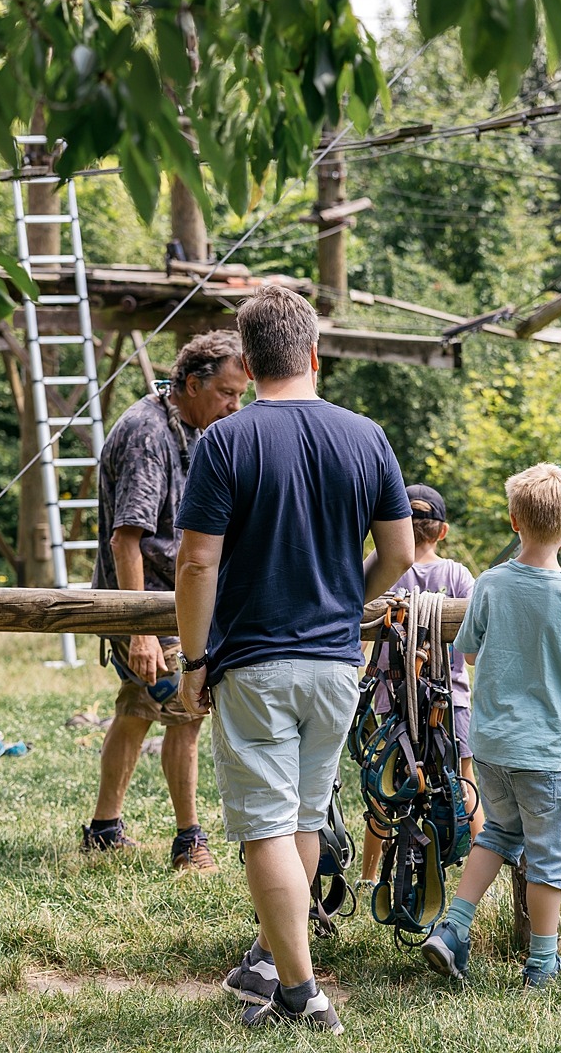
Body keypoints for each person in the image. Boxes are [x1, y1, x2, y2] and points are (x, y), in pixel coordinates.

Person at [173, 284, 415, 1034]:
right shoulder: (365, 435)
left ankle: (299, 994)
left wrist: (191, 660)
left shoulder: (226, 440)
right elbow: (400, 552)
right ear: (314, 354)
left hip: (257, 659)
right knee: (305, 815)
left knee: (265, 828)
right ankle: (279, 961)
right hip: (337, 662)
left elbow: (195, 566)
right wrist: (348, 599)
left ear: (247, 360)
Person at [419, 463, 561, 990]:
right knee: (549, 858)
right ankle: (543, 963)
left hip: (489, 745)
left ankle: (453, 927)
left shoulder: (488, 583)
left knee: (498, 834)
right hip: (545, 752)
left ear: (514, 520)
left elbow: (465, 650)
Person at [81, 331, 249, 871]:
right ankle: (188, 841)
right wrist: (140, 630)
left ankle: (104, 828)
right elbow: (126, 537)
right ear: (192, 383)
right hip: (147, 604)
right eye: (226, 392)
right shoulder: (147, 432)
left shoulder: (191, 427)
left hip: (168, 600)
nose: (234, 405)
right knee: (185, 715)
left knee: (136, 712)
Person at [358, 483, 481, 893]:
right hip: (451, 700)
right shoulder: (457, 575)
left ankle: (369, 875)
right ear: (441, 532)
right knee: (462, 778)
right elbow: (471, 649)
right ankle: (482, 873)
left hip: (390, 699)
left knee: (384, 782)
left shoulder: (383, 568)